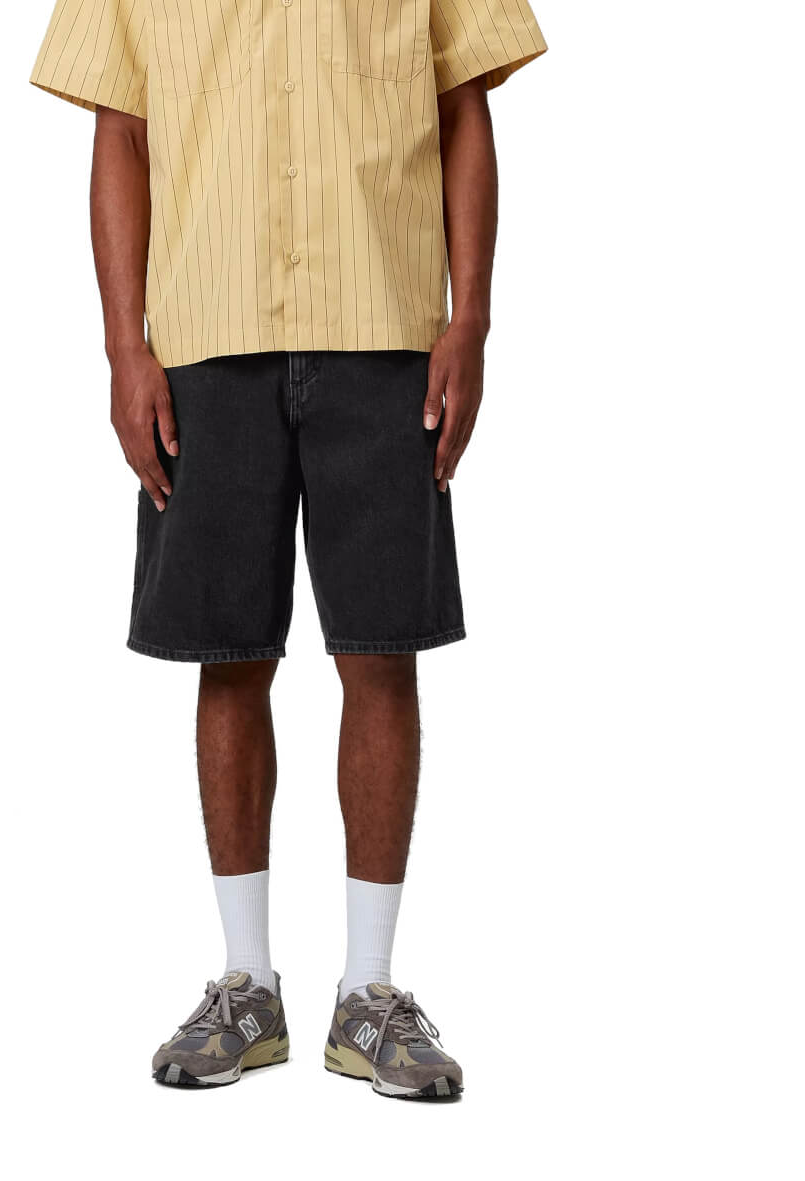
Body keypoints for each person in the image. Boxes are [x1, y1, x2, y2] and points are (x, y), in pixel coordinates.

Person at [30, 0, 545, 1099]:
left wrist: (471, 321)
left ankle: (370, 993)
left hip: (385, 333)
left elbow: (464, 108)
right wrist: (124, 347)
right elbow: (121, 130)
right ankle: (246, 986)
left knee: (382, 653)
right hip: (206, 341)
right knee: (228, 657)